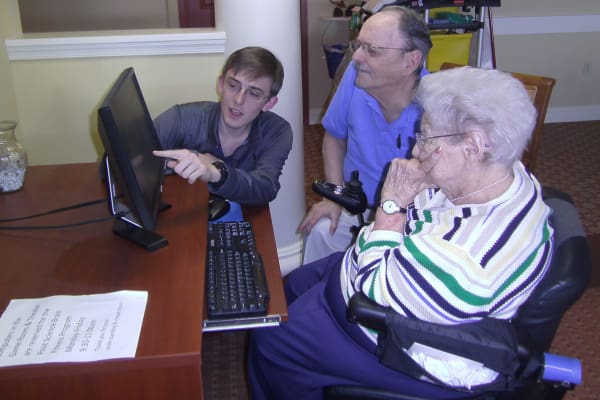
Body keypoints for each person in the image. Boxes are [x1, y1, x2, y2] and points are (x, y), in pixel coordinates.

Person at [248, 66, 555, 399]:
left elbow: (371, 290)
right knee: (291, 287)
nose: (414, 150)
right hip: (389, 276)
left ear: (474, 146)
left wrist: (391, 206)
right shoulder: (503, 171)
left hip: (399, 339)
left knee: (271, 341)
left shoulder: (465, 263)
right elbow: (409, 227)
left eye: (425, 137)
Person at [298, 6, 432, 265]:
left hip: (409, 220)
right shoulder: (356, 77)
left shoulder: (436, 108)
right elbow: (333, 139)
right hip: (356, 206)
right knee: (320, 229)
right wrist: (333, 198)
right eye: (359, 45)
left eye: (372, 50)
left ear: (411, 61)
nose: (357, 57)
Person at [152, 46, 293, 205]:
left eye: (253, 93)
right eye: (233, 85)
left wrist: (218, 172)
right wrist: (192, 157)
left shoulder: (277, 131)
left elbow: (266, 188)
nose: (238, 100)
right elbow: (131, 159)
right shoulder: (179, 118)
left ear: (269, 103)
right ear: (220, 84)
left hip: (242, 220)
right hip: (181, 214)